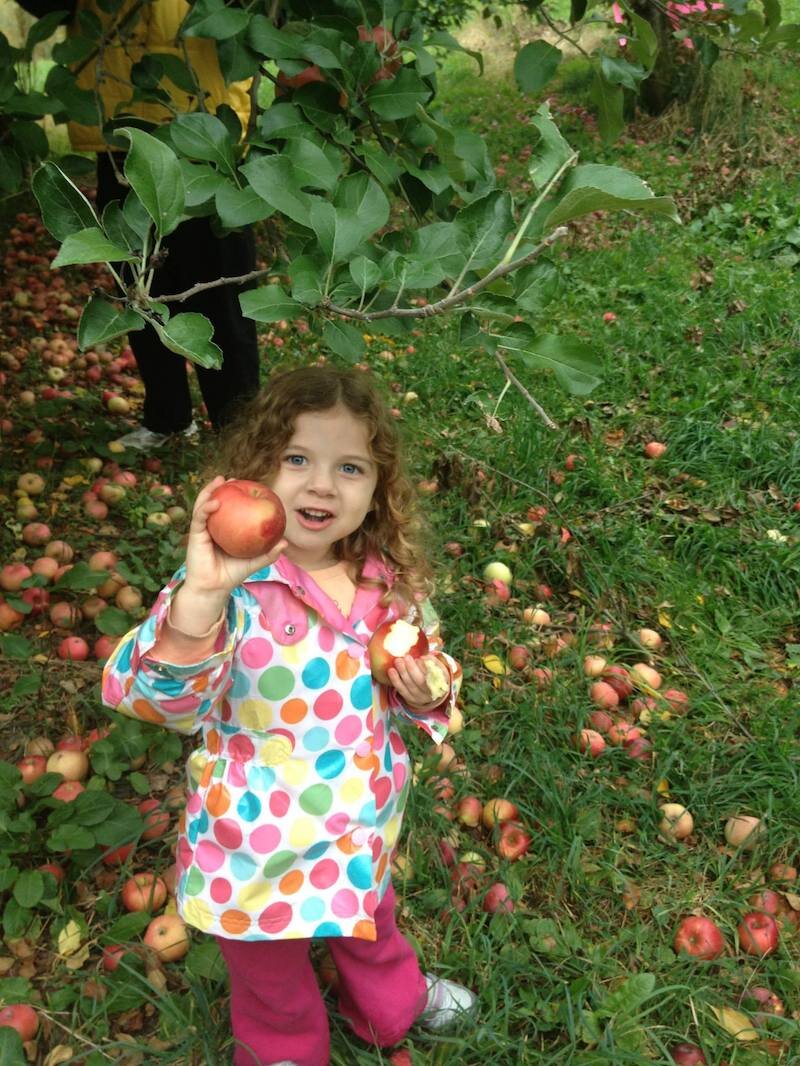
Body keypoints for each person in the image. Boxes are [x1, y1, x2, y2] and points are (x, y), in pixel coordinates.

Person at [101, 365, 476, 1066]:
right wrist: (201, 602)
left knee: (371, 924)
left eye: (351, 467)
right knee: (267, 967)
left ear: (378, 490)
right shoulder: (227, 591)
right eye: (297, 459)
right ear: (255, 472)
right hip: (257, 840)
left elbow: (423, 658)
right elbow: (161, 697)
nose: (323, 484)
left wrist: (428, 687)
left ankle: (393, 1007)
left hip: (356, 821)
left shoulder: (383, 577)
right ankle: (284, 1051)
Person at [17, 0, 261, 450]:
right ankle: (167, 417)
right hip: (119, 125)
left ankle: (241, 433)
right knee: (141, 289)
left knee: (222, 297)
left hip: (202, 128)